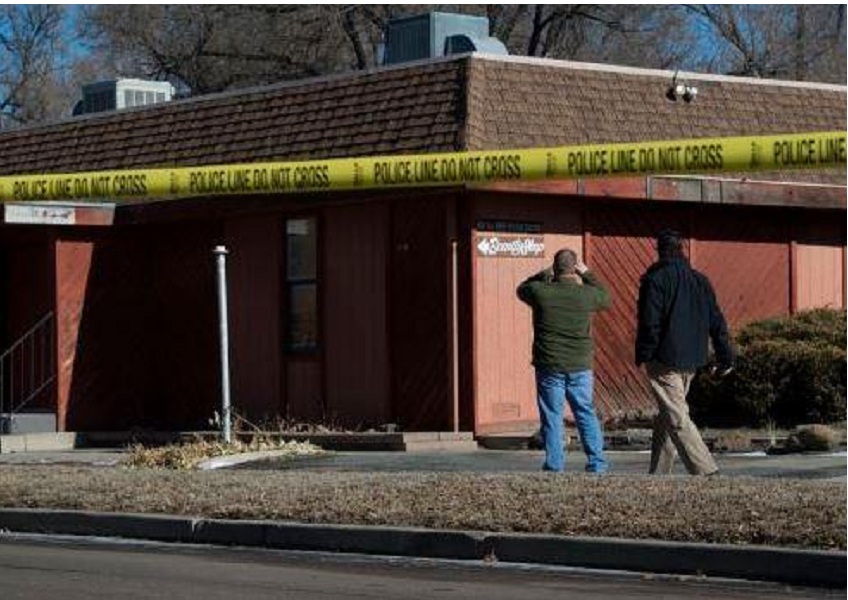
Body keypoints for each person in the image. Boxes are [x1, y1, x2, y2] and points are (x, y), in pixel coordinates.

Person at [635, 229, 734, 476]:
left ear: (658, 250)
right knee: (669, 414)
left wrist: (645, 352)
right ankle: (658, 473)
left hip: (664, 357)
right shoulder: (700, 280)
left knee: (677, 416)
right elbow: (716, 320)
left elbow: (650, 322)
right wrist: (725, 356)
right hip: (693, 357)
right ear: (682, 250)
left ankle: (705, 469)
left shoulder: (655, 280)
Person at [517, 249, 610, 473]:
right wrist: (587, 274)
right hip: (580, 364)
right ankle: (596, 463)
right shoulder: (587, 294)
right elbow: (606, 297)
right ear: (575, 268)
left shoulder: (541, 292)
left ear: (555, 268)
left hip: (550, 363)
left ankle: (555, 464)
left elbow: (521, 289)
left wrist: (542, 274)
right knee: (585, 412)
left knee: (552, 415)